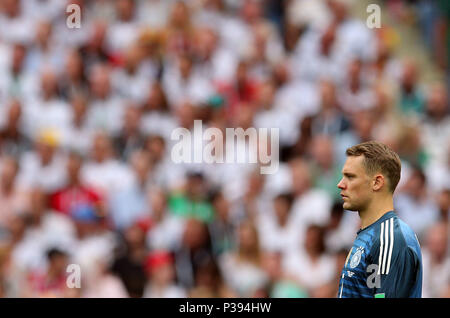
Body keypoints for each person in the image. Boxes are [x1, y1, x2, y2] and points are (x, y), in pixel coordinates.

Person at [336, 141, 422, 298]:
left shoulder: (390, 239)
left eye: (350, 177)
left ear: (376, 182)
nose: (340, 184)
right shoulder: (372, 235)